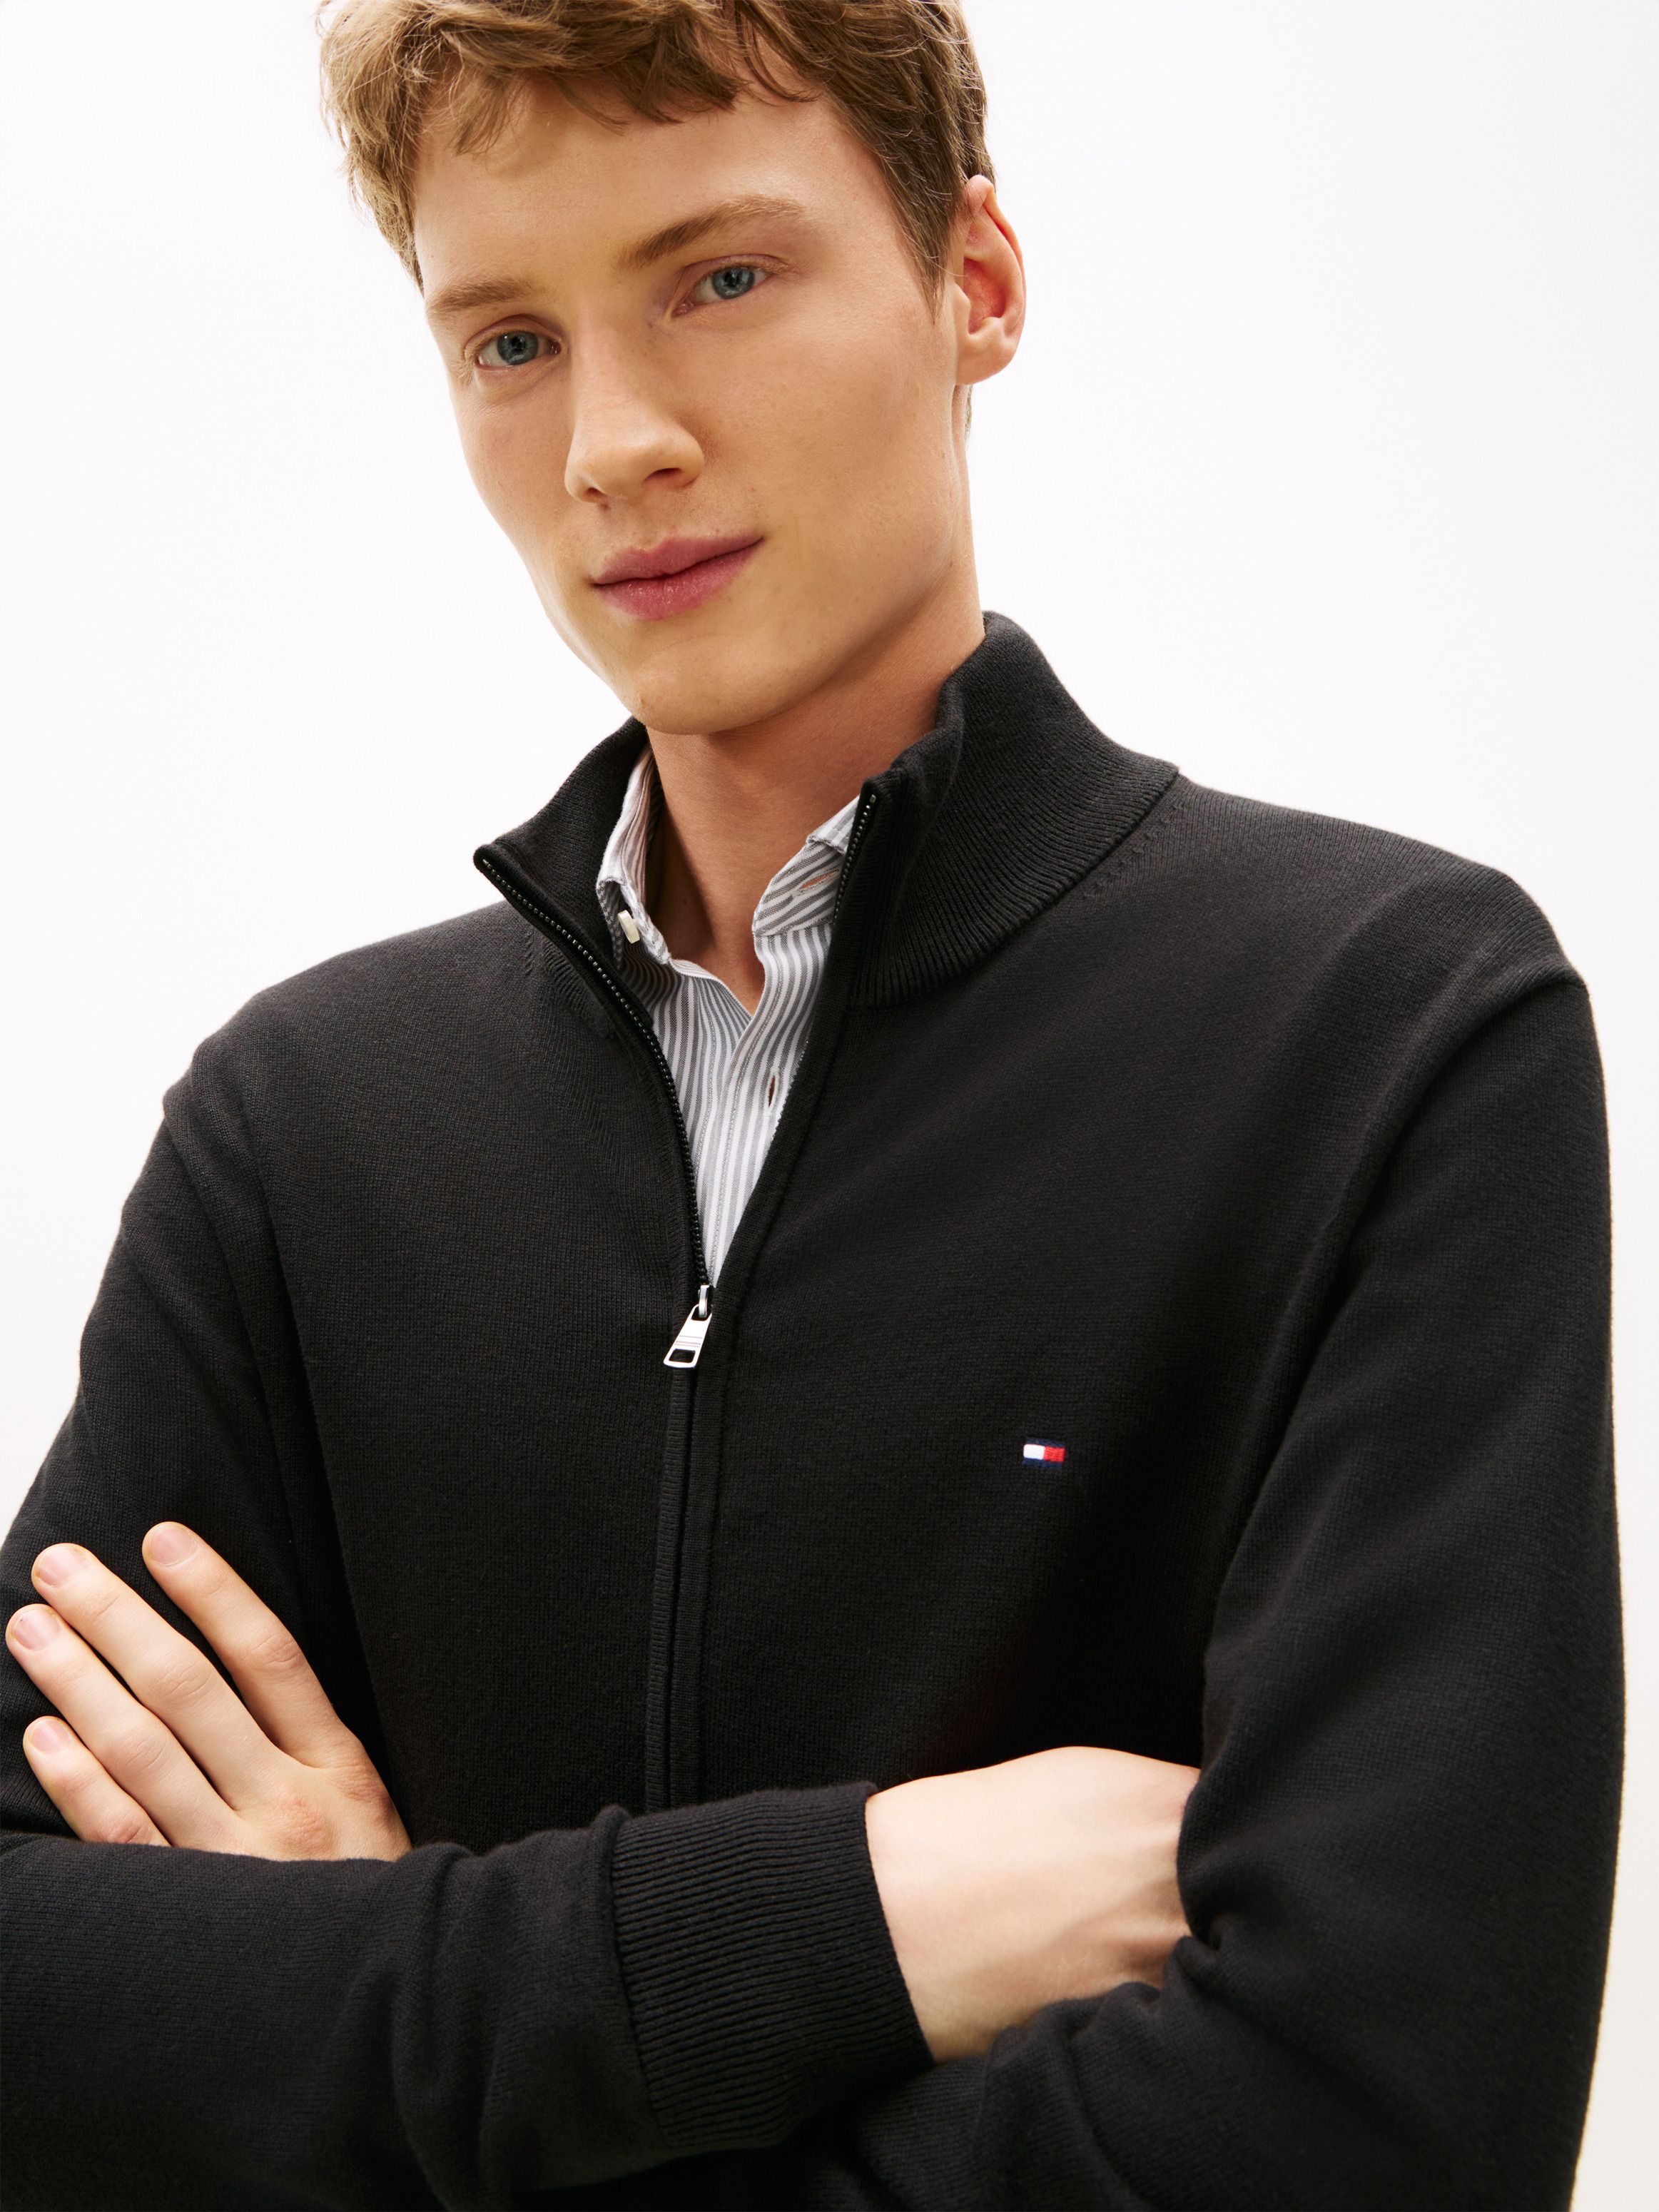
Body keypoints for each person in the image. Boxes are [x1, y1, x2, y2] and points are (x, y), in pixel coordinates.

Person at [0, 2, 1620, 2206]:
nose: (613, 443)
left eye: (723, 277)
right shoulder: (302, 1137)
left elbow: (1381, 2129)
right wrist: (862, 1912)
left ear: (977, 281)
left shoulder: (1387, 1031)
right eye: (510, 341)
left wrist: (368, 2017)